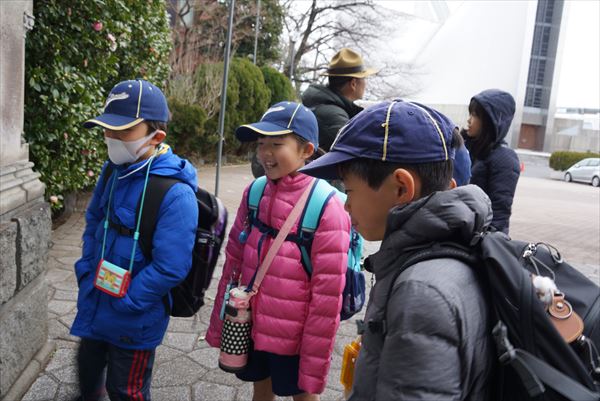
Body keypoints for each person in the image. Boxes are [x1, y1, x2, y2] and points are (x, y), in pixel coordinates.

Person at [299, 100, 494, 400]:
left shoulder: (421, 293)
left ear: (401, 188)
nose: (346, 204)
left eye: (349, 190)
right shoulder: (454, 247)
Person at [205, 101, 350, 401]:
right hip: (253, 321)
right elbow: (233, 258)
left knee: (302, 396)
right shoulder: (255, 191)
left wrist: (313, 359)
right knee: (261, 389)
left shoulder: (326, 206)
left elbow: (327, 296)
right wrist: (222, 321)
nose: (265, 153)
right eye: (261, 143)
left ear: (306, 150)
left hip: (295, 337)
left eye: (276, 143)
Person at [71, 79, 198, 401]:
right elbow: (94, 219)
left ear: (156, 137)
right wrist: (87, 267)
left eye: (122, 131)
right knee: (87, 372)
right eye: (107, 129)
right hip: (96, 298)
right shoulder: (113, 170)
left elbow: (172, 266)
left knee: (126, 390)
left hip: (134, 315)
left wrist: (129, 300)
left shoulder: (176, 193)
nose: (111, 138)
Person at [463, 89, 520, 233]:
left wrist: (489, 249)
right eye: (470, 113)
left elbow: (499, 213)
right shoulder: (467, 149)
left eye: (475, 115)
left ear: (490, 121)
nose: (469, 120)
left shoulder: (504, 158)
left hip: (478, 240)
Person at [302, 48, 378, 152]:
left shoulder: (326, 106)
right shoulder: (334, 117)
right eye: (364, 78)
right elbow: (356, 153)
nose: (366, 83)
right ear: (353, 84)